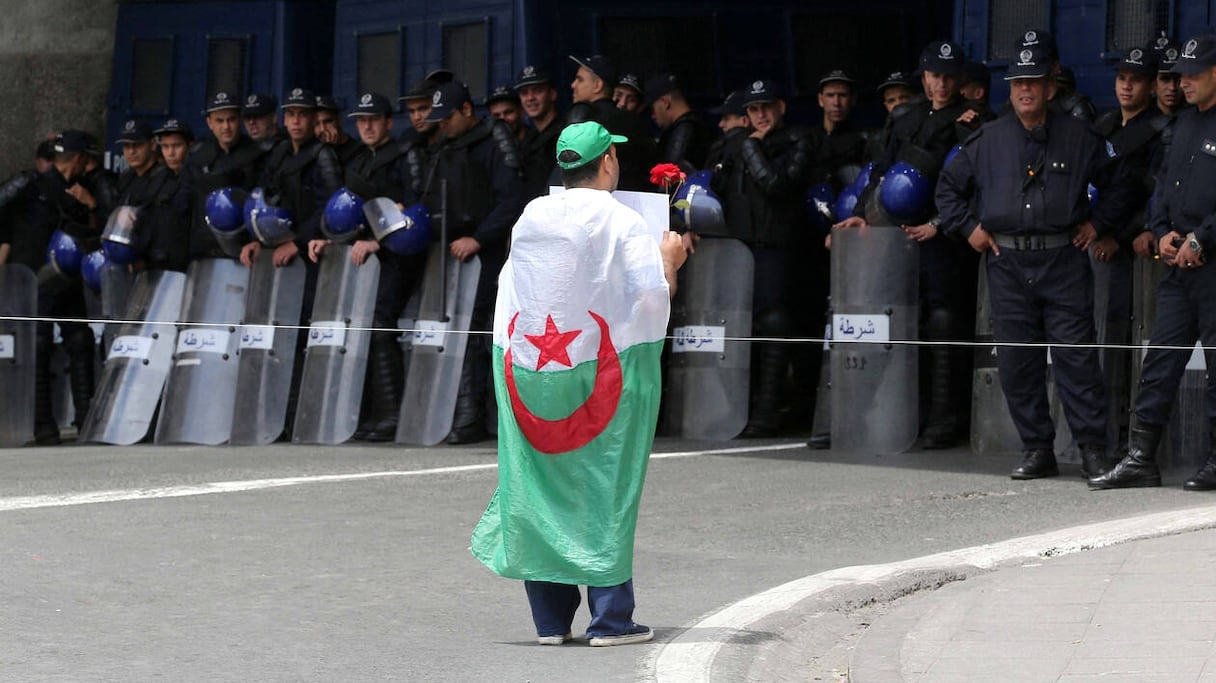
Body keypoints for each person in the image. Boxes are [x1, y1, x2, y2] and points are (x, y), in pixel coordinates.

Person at [470, 120, 687, 647]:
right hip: (606, 370)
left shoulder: (531, 214)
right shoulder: (622, 220)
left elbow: (512, 288)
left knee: (537, 481)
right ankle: (611, 620)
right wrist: (671, 262)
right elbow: (652, 298)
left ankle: (549, 621)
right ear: (608, 161)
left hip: (526, 365)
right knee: (606, 480)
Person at [936, 42, 1135, 480]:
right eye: (1018, 83)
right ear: (1010, 90)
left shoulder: (1081, 137)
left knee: (1076, 359)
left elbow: (1120, 182)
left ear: (1049, 88)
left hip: (1063, 260)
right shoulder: (988, 140)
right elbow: (948, 189)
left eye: (1034, 82)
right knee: (1017, 362)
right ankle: (1037, 449)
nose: (1025, 90)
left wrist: (1099, 225)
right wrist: (969, 229)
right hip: (1006, 264)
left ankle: (1091, 450)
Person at [841, 40, 985, 449]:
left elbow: (976, 184)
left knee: (944, 323)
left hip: (944, 239)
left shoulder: (973, 120)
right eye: (934, 75)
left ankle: (945, 420)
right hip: (896, 239)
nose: (941, 83)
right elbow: (880, 173)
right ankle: (894, 415)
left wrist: (939, 225)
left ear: (959, 80)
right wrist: (864, 214)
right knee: (898, 320)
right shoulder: (904, 117)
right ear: (923, 78)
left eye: (948, 76)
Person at [1088, 35, 1216, 491]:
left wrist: (1203, 238)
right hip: (1178, 264)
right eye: (1182, 75)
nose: (1185, 83)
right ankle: (1141, 456)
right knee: (1160, 361)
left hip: (1211, 264)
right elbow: (1162, 188)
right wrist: (1161, 232)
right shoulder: (1180, 125)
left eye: (1195, 74)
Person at [406, 80, 524, 444]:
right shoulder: (447, 146)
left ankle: (474, 415)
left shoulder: (494, 141)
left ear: (467, 111)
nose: (441, 125)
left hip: (483, 252)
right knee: (452, 332)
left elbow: (511, 199)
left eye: (448, 118)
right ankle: (452, 411)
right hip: (449, 251)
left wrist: (480, 238)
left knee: (476, 333)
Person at [308, 92, 421, 442]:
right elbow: (353, 214)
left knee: (379, 322)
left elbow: (416, 209)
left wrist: (379, 240)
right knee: (359, 327)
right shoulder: (358, 162)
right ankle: (370, 413)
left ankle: (392, 414)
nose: (367, 126)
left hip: (399, 256)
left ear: (389, 122)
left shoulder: (405, 156)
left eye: (374, 119)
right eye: (361, 120)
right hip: (365, 259)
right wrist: (332, 240)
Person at [714, 79, 815, 437]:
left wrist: (753, 147)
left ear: (781, 108)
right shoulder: (736, 145)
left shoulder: (798, 140)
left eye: (767, 107)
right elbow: (714, 188)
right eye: (754, 109)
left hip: (779, 249)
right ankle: (738, 409)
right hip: (740, 251)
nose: (761, 115)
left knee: (775, 324)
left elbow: (776, 185)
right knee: (740, 328)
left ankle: (768, 411)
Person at [0, 130, 94, 444]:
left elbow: (99, 228)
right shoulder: (30, 185)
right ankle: (41, 426)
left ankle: (87, 421)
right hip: (33, 281)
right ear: (79, 159)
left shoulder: (85, 191)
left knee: (80, 341)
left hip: (66, 279)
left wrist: (90, 205)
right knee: (36, 348)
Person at [181, 90, 271, 260]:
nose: (226, 127)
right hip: (204, 253)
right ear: (209, 123)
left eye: (231, 120)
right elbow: (184, 205)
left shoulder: (258, 156)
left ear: (240, 120)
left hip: (244, 252)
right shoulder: (197, 158)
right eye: (219, 121)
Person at [566, 54, 657, 192]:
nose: (573, 85)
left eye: (580, 80)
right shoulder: (636, 122)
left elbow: (569, 168)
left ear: (597, 85)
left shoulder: (583, 116)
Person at [644, 72, 712, 170]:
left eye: (653, 108)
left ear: (665, 102)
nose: (653, 116)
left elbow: (670, 177)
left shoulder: (684, 131)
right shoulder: (696, 125)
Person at [515, 65, 562, 201]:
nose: (530, 98)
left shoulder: (565, 133)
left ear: (552, 94)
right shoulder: (528, 138)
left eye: (538, 91)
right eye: (524, 93)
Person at [315, 95, 364, 165]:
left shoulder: (359, 151)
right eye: (316, 124)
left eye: (328, 121)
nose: (323, 129)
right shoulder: (310, 152)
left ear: (339, 120)